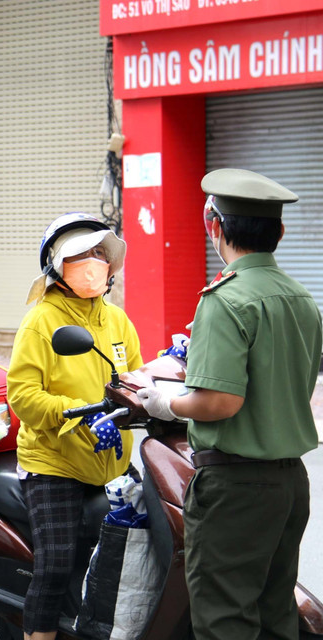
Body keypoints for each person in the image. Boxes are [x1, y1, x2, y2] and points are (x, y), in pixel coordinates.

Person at [138, 169, 322, 640]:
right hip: (289, 484)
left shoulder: (226, 299)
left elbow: (220, 401)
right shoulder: (303, 299)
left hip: (236, 487)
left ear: (213, 226)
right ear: (278, 233)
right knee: (277, 613)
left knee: (225, 621)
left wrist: (167, 403)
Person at [7, 212, 143, 640]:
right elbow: (23, 396)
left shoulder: (117, 320)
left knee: (148, 547)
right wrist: (80, 414)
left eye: (99, 253)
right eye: (80, 254)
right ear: (57, 266)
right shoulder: (41, 320)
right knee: (57, 564)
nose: (92, 261)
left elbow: (136, 379)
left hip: (113, 460)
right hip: (54, 461)